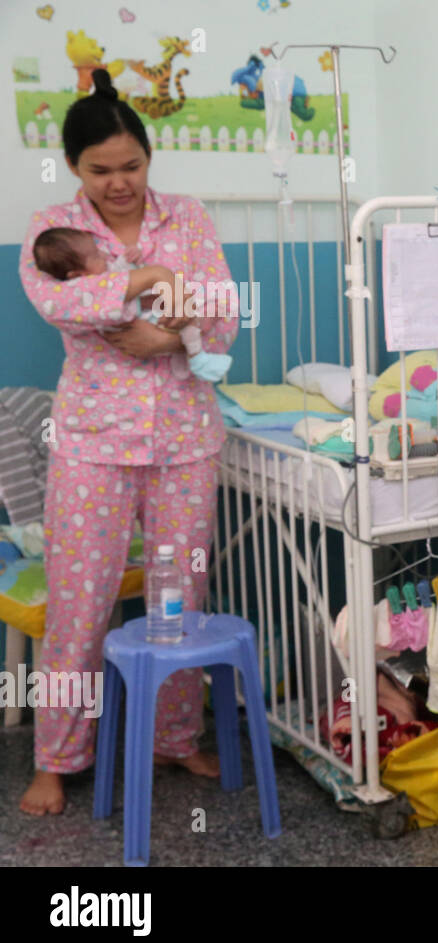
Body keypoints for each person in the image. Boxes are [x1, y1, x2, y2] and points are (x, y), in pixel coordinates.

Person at [17, 68, 238, 815]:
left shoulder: (190, 216)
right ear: (76, 168)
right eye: (101, 170)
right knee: (79, 604)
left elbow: (222, 309)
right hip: (93, 444)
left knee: (181, 601)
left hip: (184, 439)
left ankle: (173, 737)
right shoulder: (54, 228)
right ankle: (57, 755)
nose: (120, 183)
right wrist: (135, 290)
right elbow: (57, 299)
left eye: (132, 167)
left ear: (150, 157)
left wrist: (165, 337)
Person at [31, 226, 232, 383]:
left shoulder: (102, 270)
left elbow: (119, 272)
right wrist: (147, 292)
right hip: (142, 323)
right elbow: (117, 312)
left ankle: (188, 348)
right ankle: (195, 353)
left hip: (154, 313)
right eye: (94, 255)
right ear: (76, 276)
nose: (102, 254)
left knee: (189, 306)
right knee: (183, 321)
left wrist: (129, 259)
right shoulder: (84, 298)